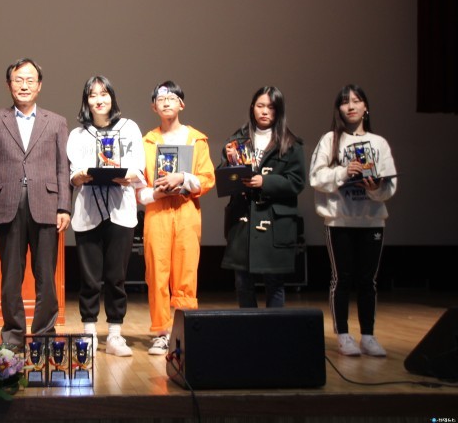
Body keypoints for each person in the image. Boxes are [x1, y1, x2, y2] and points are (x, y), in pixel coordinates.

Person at [0, 58, 72, 347]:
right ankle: (13, 337)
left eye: (30, 80)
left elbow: (63, 168)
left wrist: (64, 206)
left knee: (46, 278)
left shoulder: (56, 122)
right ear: (9, 85)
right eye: (18, 80)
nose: (24, 85)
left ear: (39, 86)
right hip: (7, 205)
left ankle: (44, 336)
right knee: (11, 277)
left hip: (46, 205)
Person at [309, 84, 397, 357]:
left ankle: (368, 335)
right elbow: (316, 177)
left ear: (365, 107)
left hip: (372, 221)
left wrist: (375, 188)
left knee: (368, 281)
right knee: (342, 278)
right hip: (339, 220)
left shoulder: (379, 143)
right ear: (338, 109)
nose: (351, 106)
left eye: (357, 101)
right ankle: (343, 335)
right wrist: (344, 172)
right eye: (345, 102)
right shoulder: (330, 140)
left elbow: (389, 186)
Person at [67, 76, 146, 357]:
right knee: (89, 278)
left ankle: (114, 335)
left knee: (116, 277)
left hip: (120, 211)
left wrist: (130, 175)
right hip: (88, 211)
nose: (99, 99)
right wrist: (78, 177)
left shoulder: (129, 128)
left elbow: (138, 167)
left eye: (104, 93)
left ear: (112, 97)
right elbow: (73, 173)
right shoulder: (78, 135)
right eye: (93, 95)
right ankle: (88, 333)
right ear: (86, 101)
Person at [136, 81, 215, 356]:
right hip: (157, 213)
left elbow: (207, 179)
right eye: (161, 99)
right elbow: (138, 188)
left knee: (186, 272)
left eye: (172, 98)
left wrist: (182, 177)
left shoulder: (197, 140)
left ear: (182, 104)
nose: (166, 102)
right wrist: (155, 192)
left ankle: (185, 330)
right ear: (154, 107)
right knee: (156, 273)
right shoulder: (146, 142)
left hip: (186, 211)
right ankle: (161, 333)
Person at [218, 86, 305, 309]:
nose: (265, 111)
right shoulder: (237, 139)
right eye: (260, 106)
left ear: (279, 111)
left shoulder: (290, 143)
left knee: (274, 282)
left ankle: (274, 329)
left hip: (274, 221)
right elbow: (223, 180)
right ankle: (249, 328)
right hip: (243, 220)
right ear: (252, 108)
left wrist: (265, 182)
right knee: (242, 282)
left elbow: (297, 182)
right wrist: (231, 163)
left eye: (271, 107)